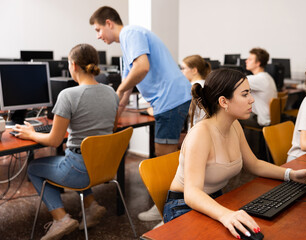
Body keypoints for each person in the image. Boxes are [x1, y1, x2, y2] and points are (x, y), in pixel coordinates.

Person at [163, 69, 306, 239]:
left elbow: (254, 164)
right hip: (183, 206)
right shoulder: (201, 135)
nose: (251, 99)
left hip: (215, 200)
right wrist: (225, 215)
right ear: (224, 101)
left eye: (250, 93)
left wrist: (291, 174)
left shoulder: (234, 125)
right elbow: (192, 193)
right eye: (245, 94)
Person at [89, 6, 191, 223]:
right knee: (168, 155)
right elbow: (128, 88)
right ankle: (173, 205)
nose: (98, 36)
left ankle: (167, 210)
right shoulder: (127, 46)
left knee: (164, 157)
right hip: (172, 98)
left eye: (98, 29)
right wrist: (115, 114)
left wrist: (117, 90)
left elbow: (141, 68)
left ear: (109, 23)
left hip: (170, 99)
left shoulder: (130, 33)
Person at [13, 44, 119, 240]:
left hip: (79, 172)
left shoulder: (68, 95)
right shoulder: (112, 93)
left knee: (34, 168)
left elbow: (53, 141)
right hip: (102, 168)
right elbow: (111, 128)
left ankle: (61, 218)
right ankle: (92, 206)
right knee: (78, 157)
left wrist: (31, 133)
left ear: (73, 65)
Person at [240, 48, 277, 127]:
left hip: (261, 119)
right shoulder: (267, 77)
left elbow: (232, 83)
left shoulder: (258, 79)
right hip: (269, 117)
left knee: (230, 115)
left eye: (250, 59)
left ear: (258, 63)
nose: (246, 61)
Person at [180, 54, 211, 127]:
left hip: (195, 128)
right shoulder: (207, 84)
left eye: (183, 68)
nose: (181, 72)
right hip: (206, 128)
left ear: (194, 70)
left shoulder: (192, 87)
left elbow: (180, 111)